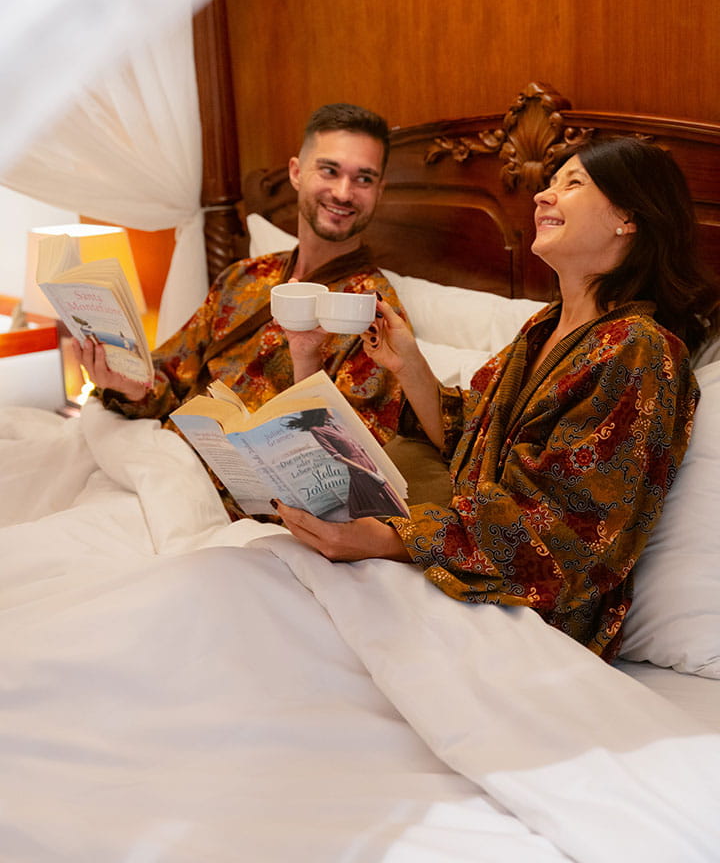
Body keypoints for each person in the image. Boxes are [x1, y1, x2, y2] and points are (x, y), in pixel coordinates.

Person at [276, 135, 720, 660]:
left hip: (529, 615)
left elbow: (564, 535)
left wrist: (388, 539)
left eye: (572, 183)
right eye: (550, 183)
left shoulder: (640, 352)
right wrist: (410, 365)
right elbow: (474, 435)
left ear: (628, 217)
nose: (541, 197)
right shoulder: (545, 327)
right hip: (458, 564)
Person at [76, 102, 408, 518]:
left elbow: (352, 471)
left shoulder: (371, 315)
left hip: (239, 512)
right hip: (160, 471)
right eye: (329, 170)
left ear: (380, 191)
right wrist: (126, 383)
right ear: (295, 172)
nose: (343, 192)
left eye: (363, 178)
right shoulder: (243, 278)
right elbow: (168, 373)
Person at [282, 407, 407, 520]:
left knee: (391, 500)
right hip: (358, 467)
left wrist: (375, 467)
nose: (331, 409)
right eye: (327, 408)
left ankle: (405, 532)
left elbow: (358, 446)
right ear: (321, 411)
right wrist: (367, 472)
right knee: (387, 502)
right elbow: (337, 456)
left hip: (368, 462)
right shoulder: (317, 430)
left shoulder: (338, 427)